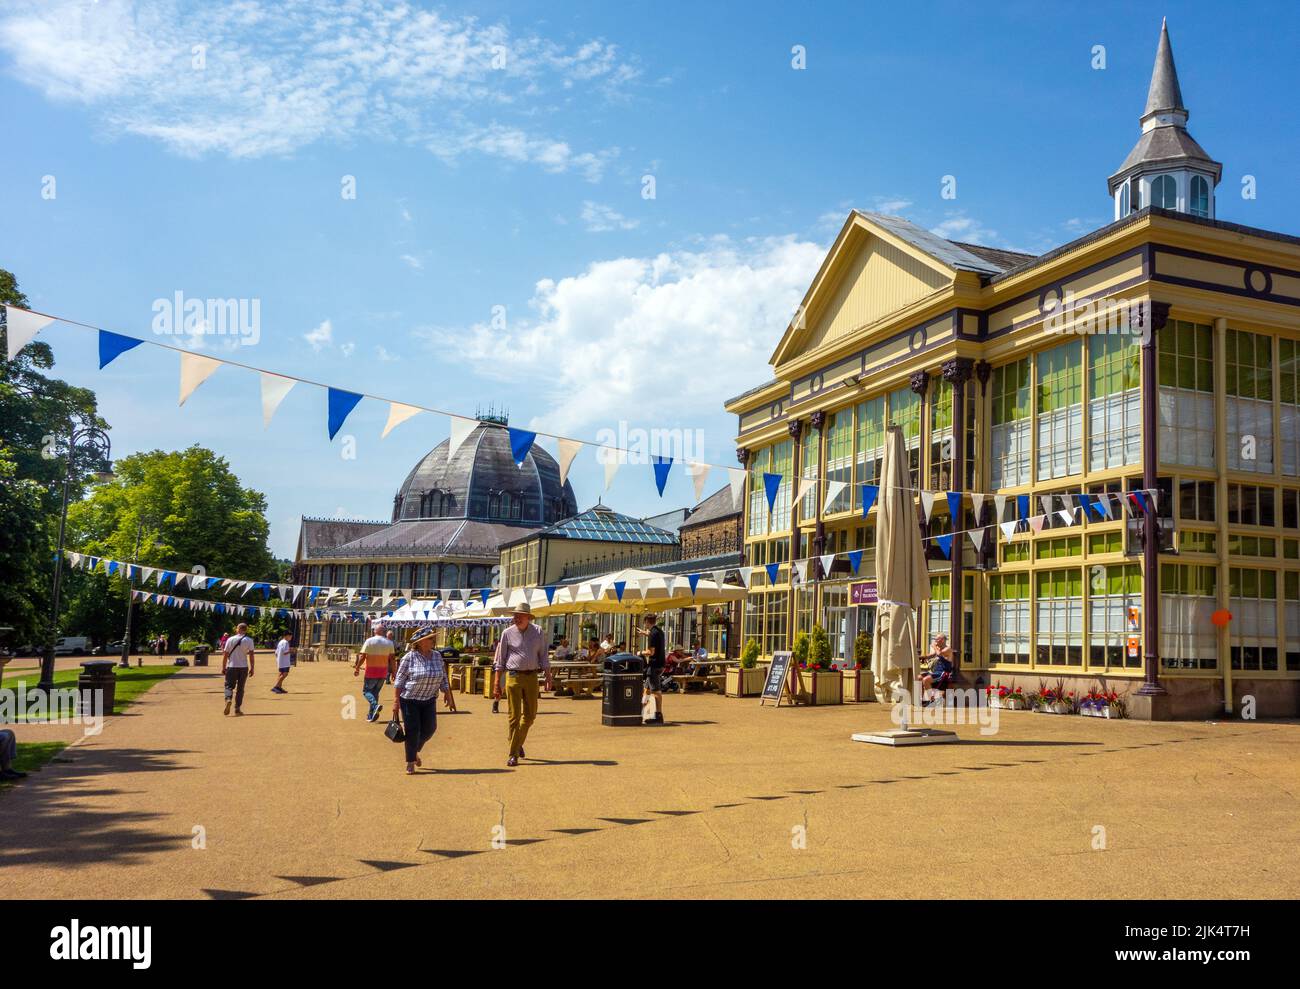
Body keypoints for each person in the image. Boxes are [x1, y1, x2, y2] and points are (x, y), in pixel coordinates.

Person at [492, 603, 551, 767]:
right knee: (514, 717)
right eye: (515, 615)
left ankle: (516, 742)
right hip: (513, 676)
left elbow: (544, 655)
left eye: (519, 616)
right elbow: (500, 660)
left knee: (530, 715)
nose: (516, 618)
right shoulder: (507, 633)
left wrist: (548, 675)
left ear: (528, 617)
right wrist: (497, 683)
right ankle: (513, 754)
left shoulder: (538, 631)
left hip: (532, 676)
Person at [391, 626, 452, 775]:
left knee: (430, 729)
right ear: (420, 642)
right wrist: (395, 701)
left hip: (429, 698)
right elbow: (399, 680)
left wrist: (447, 694)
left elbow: (443, 676)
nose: (433, 640)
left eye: (432, 638)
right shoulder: (409, 657)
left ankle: (413, 750)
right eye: (430, 638)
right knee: (413, 730)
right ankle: (410, 761)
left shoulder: (437, 656)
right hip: (409, 699)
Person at [354, 622, 396, 723]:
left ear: (376, 631)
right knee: (375, 693)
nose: (373, 631)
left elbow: (362, 656)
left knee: (366, 692)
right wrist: (394, 672)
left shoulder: (369, 641)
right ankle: (371, 715)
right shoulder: (389, 643)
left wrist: (357, 668)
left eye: (374, 629)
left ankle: (375, 705)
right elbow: (392, 659)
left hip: (371, 671)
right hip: (383, 672)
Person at [221, 623, 255, 716]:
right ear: (246, 630)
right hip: (243, 667)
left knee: (228, 686)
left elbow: (225, 655)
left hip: (232, 666)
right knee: (240, 689)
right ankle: (237, 708)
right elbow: (251, 655)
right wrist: (252, 668)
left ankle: (228, 699)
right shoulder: (249, 640)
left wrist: (223, 667)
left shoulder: (230, 639)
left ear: (238, 629)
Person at [639, 614, 666, 724]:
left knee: (656, 692)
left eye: (644, 623)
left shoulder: (652, 635)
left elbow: (651, 652)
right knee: (646, 691)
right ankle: (645, 713)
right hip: (660, 664)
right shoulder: (659, 631)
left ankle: (658, 715)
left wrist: (640, 652)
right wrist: (644, 633)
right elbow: (652, 636)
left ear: (646, 622)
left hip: (654, 665)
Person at [918, 634, 955, 704]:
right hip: (936, 672)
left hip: (944, 673)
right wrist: (921, 657)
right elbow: (930, 655)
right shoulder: (939, 650)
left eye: (936, 639)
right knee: (919, 677)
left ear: (942, 640)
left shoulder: (948, 649)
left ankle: (930, 700)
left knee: (926, 680)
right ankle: (922, 700)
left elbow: (939, 654)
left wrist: (934, 647)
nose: (935, 641)